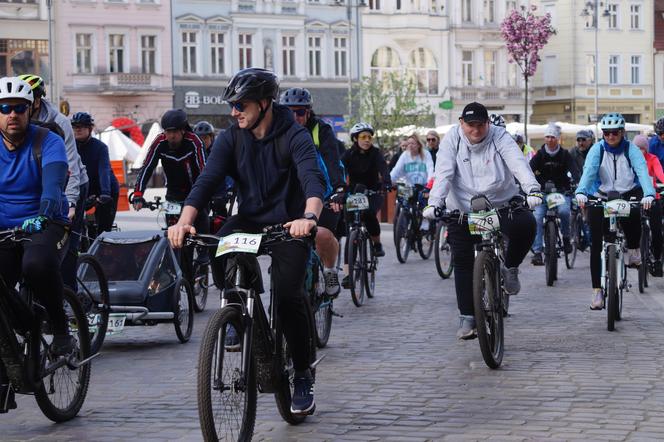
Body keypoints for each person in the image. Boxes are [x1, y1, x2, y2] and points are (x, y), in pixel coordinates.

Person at [167, 68, 325, 415]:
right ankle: (238, 311)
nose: (234, 112)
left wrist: (309, 219)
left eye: (241, 105)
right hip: (250, 220)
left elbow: (312, 181)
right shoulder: (230, 138)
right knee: (218, 247)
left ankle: (301, 373)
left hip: (290, 224)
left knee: (287, 296)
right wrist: (184, 221)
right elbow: (207, 180)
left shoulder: (294, 135)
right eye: (232, 105)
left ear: (265, 104)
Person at [423, 102, 541, 340]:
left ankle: (510, 268)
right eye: (470, 125)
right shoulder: (452, 140)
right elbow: (443, 172)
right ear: (461, 124)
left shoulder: (500, 137)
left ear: (488, 123)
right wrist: (435, 203)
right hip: (463, 207)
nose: (475, 130)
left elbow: (518, 163)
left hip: (500, 203)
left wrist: (532, 189)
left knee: (527, 224)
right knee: (463, 260)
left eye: (480, 125)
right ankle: (467, 317)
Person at [0, 77, 73, 412]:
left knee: (36, 265)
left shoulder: (48, 140)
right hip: (4, 228)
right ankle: (14, 344)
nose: (12, 114)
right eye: (5, 108)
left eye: (19, 108)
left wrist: (44, 213)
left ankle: (59, 329)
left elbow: (54, 185)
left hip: (45, 221)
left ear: (30, 110)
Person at [575, 113, 655, 310]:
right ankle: (597, 291)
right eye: (607, 133)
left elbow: (642, 172)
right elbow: (589, 172)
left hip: (628, 193)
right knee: (596, 243)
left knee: (636, 214)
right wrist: (581, 192)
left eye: (615, 133)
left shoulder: (632, 149)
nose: (610, 136)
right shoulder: (597, 149)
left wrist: (649, 194)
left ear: (622, 133)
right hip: (601, 195)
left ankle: (634, 249)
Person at [18, 74, 90, 289]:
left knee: (65, 248)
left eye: (23, 105)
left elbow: (70, 167)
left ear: (37, 101)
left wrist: (70, 203)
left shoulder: (59, 122)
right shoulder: (15, 119)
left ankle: (70, 301)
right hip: (36, 182)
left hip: (71, 182)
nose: (15, 111)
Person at [280, 87, 346, 297]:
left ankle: (329, 270)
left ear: (308, 112)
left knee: (323, 235)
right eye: (289, 112)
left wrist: (338, 189)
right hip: (292, 195)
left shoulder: (321, 130)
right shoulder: (279, 132)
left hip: (323, 193)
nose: (294, 117)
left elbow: (332, 161)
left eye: (300, 112)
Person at [132, 109, 208, 231]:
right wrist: (138, 194)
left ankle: (204, 249)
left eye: (175, 132)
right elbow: (147, 167)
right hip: (173, 194)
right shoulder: (159, 142)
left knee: (202, 231)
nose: (171, 136)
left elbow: (204, 170)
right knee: (171, 235)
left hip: (195, 192)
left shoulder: (195, 141)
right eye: (168, 132)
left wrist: (207, 192)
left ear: (183, 130)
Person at [341, 122, 391, 263]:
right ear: (355, 139)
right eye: (363, 137)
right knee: (350, 227)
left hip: (372, 192)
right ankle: (348, 272)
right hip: (354, 193)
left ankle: (377, 244)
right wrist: (338, 187)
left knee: (369, 215)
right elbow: (339, 170)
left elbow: (383, 168)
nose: (367, 140)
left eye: (369, 137)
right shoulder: (348, 154)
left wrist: (386, 183)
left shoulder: (375, 153)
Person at [529, 123, 574, 266]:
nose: (550, 140)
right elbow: (529, 171)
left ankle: (566, 238)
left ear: (558, 139)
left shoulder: (565, 155)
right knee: (537, 217)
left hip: (560, 192)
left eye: (553, 137)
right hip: (542, 193)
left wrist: (576, 183)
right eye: (547, 137)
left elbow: (575, 171)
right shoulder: (539, 155)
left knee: (565, 212)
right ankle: (537, 252)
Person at [71, 112, 120, 233]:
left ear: (90, 128)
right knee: (75, 225)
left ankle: (104, 245)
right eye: (75, 126)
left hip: (105, 189)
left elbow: (104, 170)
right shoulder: (70, 147)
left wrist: (105, 193)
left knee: (103, 229)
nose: (77, 129)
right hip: (85, 188)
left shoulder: (100, 147)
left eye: (81, 126)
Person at [390, 133, 434, 230]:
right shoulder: (405, 155)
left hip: (422, 185)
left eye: (413, 143)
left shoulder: (426, 154)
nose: (410, 145)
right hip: (408, 186)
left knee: (423, 202)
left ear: (418, 145)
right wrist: (389, 181)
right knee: (404, 204)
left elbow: (430, 169)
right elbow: (396, 170)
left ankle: (425, 220)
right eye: (409, 143)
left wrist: (430, 184)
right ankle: (406, 224)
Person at [634, 134, 664, 276]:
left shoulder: (653, 159)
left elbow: (660, 174)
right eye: (637, 148)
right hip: (636, 197)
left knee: (657, 230)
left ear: (646, 149)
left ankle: (657, 259)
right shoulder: (630, 160)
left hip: (652, 198)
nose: (639, 151)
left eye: (642, 148)